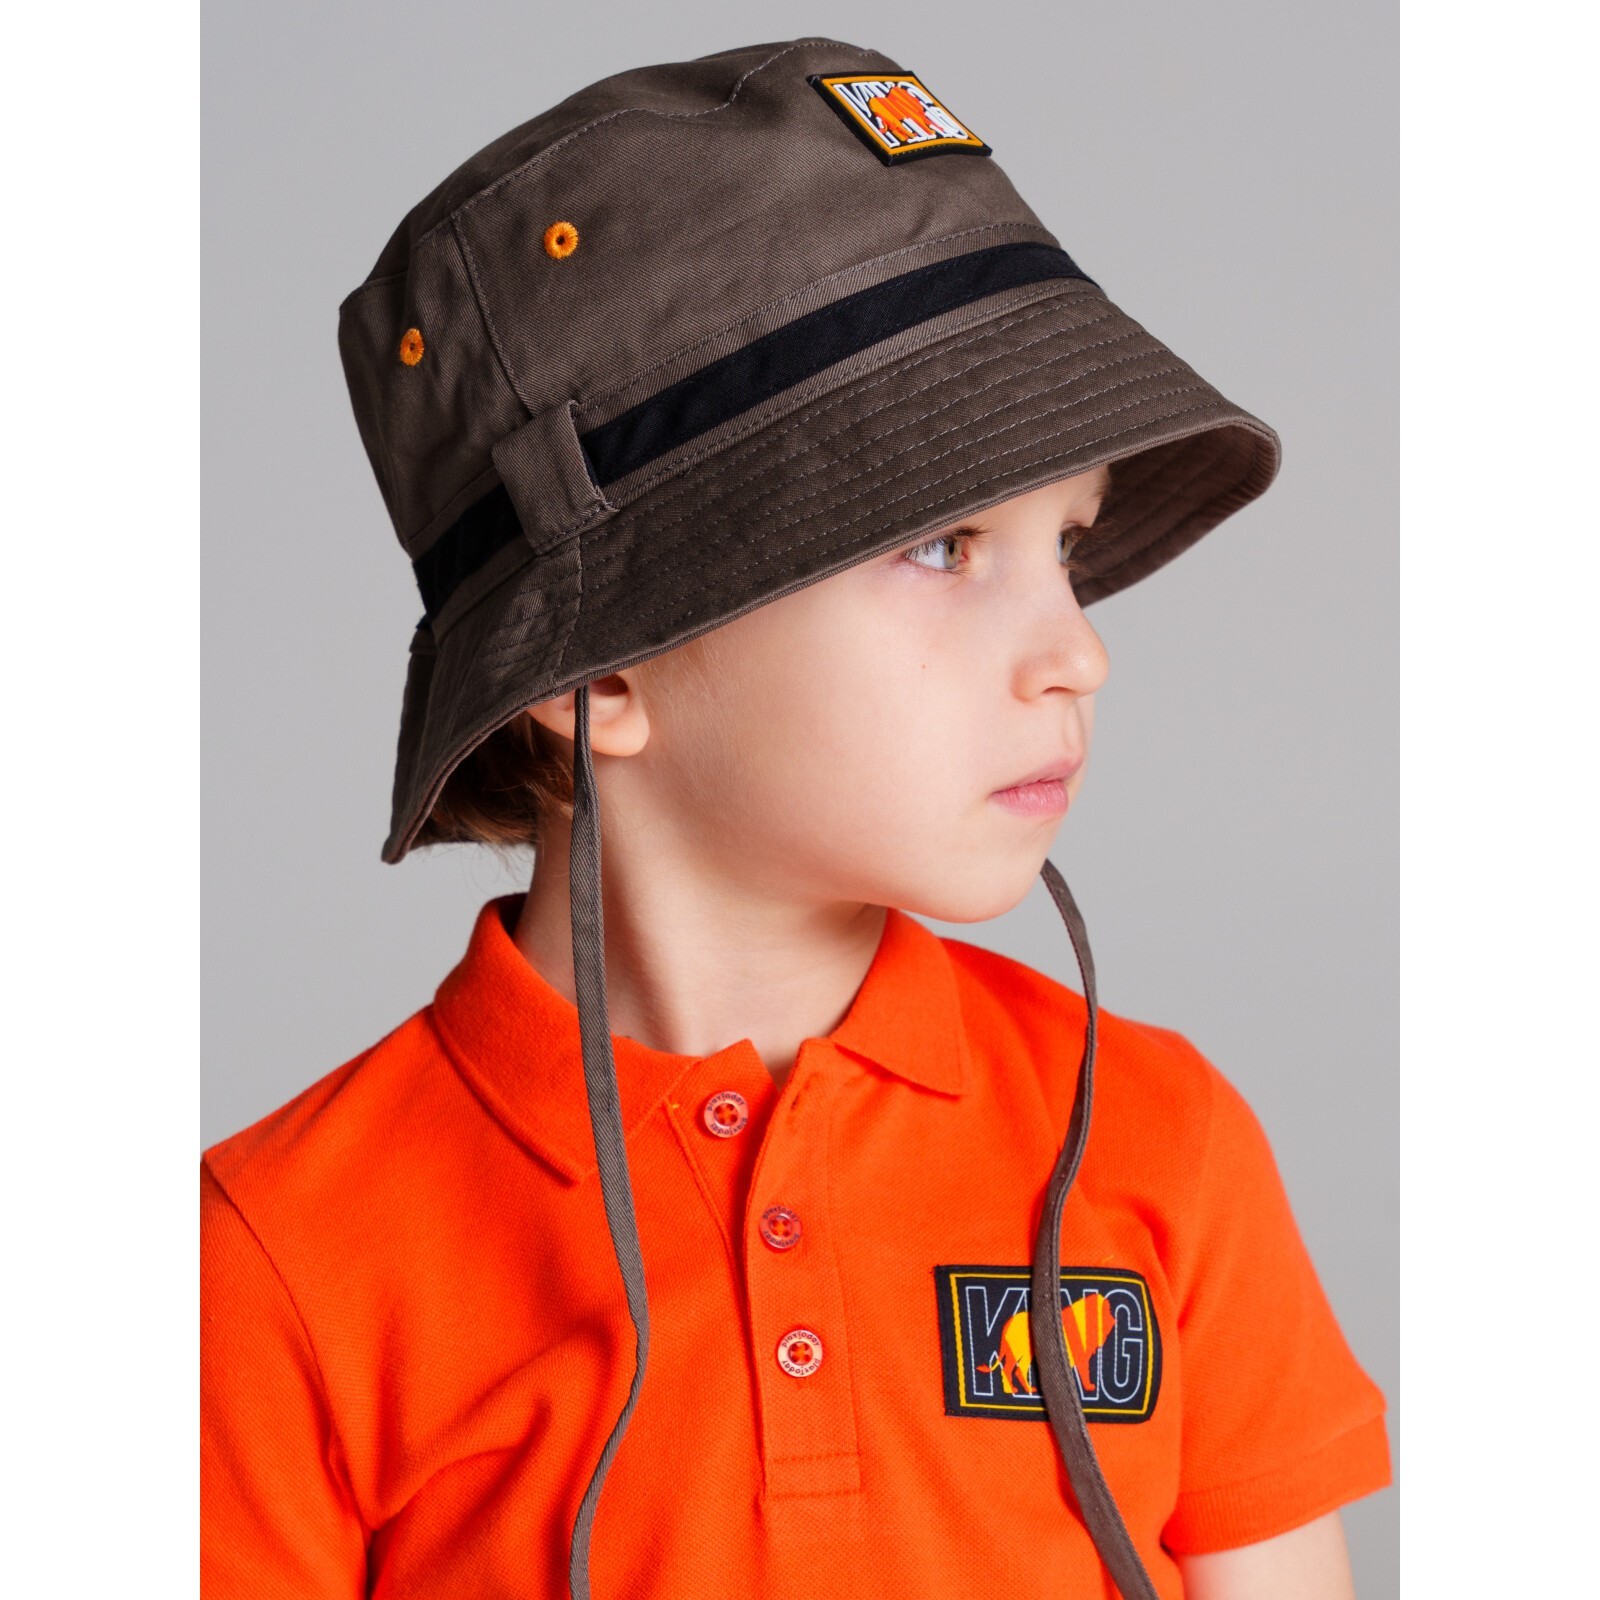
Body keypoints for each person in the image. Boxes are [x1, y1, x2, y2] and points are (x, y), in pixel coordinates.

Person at [201, 36, 1391, 1599]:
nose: (1077, 652)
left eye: (1066, 546)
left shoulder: (1162, 1147)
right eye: (947, 548)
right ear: (599, 672)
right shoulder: (279, 1259)